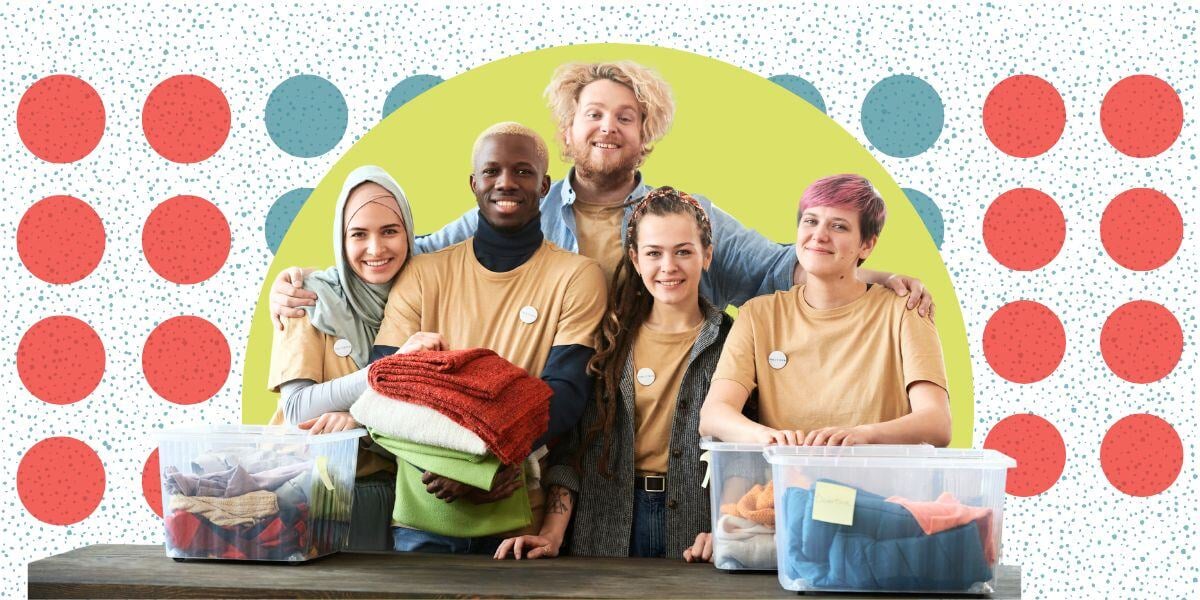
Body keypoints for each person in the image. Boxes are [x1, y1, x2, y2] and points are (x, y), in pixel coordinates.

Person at [267, 61, 934, 325]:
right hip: (547, 405)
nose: (607, 126)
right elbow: (404, 256)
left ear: (648, 135)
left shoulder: (687, 217)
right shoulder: (518, 212)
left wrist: (868, 275)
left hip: (657, 407)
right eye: (593, 113)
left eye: (625, 115)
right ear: (567, 129)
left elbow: (774, 270)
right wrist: (309, 285)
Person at [370, 122, 607, 554]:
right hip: (425, 514)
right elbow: (384, 388)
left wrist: (485, 467)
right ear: (474, 182)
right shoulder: (423, 275)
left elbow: (566, 394)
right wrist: (464, 467)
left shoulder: (577, 276)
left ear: (545, 185)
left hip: (519, 521)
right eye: (493, 170)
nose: (506, 183)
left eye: (522, 171)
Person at [493, 187, 732, 562]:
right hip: (605, 522)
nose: (668, 266)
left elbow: (744, 457)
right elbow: (573, 450)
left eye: (683, 251)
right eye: (654, 253)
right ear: (636, 259)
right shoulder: (608, 341)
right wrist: (552, 534)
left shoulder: (732, 341)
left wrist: (728, 527)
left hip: (697, 529)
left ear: (707, 256)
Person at [698, 174, 952, 448]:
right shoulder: (758, 315)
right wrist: (765, 437)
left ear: (867, 244)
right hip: (790, 484)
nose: (819, 235)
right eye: (810, 221)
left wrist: (864, 436)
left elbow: (937, 423)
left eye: (839, 226)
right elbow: (713, 415)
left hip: (881, 487)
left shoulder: (905, 310)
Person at [266, 165, 416, 550]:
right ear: (340, 238)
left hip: (400, 499)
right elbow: (298, 410)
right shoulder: (309, 299)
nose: (376, 249)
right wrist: (387, 373)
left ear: (409, 233)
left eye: (390, 231)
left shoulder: (422, 297)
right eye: (358, 234)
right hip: (308, 493)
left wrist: (358, 420)